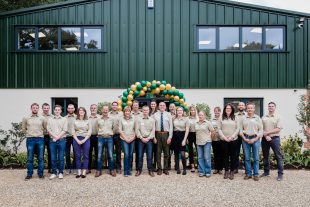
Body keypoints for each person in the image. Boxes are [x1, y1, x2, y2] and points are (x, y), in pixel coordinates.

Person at [240, 102, 263, 181]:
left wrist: (255, 139)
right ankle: (248, 174)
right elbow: (240, 130)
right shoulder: (243, 118)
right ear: (246, 109)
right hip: (245, 139)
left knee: (256, 158)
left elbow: (261, 130)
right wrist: (244, 138)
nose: (250, 109)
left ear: (254, 109)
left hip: (255, 139)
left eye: (251, 108)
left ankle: (256, 174)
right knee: (247, 158)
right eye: (248, 108)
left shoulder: (257, 118)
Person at [22, 103, 46, 180]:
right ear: (31, 108)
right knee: (29, 158)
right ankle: (29, 174)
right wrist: (29, 133)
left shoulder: (42, 118)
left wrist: (41, 133)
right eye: (33, 108)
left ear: (38, 109)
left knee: (41, 158)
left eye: (36, 108)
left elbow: (45, 128)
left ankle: (40, 173)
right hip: (30, 139)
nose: (35, 109)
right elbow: (23, 128)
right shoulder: (26, 118)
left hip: (40, 139)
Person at [261, 102, 284, 181]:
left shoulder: (278, 117)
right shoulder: (264, 117)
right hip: (265, 139)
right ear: (268, 107)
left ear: (275, 107)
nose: (270, 107)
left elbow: (278, 128)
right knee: (265, 156)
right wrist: (266, 136)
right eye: (269, 106)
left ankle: (280, 174)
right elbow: (261, 128)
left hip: (275, 139)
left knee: (278, 156)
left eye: (272, 106)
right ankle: (266, 172)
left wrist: (267, 133)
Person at [218, 104, 239, 180]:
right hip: (224, 140)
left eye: (230, 108)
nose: (228, 109)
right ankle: (226, 171)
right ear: (225, 109)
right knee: (225, 157)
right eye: (227, 108)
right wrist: (224, 137)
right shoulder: (221, 117)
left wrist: (232, 137)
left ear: (232, 109)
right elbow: (219, 129)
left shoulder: (235, 117)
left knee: (233, 157)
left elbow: (237, 129)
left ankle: (232, 171)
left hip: (233, 140)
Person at [47, 105, 68, 179]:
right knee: (53, 157)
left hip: (62, 140)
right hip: (52, 141)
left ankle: (61, 172)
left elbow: (65, 130)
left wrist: (57, 137)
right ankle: (54, 173)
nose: (57, 111)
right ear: (54, 110)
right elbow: (48, 130)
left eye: (59, 110)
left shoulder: (64, 119)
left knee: (61, 157)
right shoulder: (50, 119)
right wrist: (55, 137)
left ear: (61, 111)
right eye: (56, 110)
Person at [95, 105, 116, 177]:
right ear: (102, 110)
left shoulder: (112, 119)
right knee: (99, 155)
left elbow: (114, 128)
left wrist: (111, 134)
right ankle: (98, 170)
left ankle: (111, 170)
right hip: (100, 138)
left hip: (109, 138)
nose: (105, 111)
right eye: (104, 109)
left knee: (110, 155)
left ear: (108, 110)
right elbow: (96, 128)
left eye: (106, 110)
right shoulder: (98, 119)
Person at [135, 105, 156, 177]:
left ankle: (150, 170)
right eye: (144, 110)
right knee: (140, 156)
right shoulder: (138, 119)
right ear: (142, 111)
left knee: (149, 156)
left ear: (149, 111)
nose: (145, 111)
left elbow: (153, 130)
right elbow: (137, 130)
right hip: (141, 140)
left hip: (149, 140)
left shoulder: (152, 120)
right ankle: (139, 170)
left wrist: (148, 138)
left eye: (147, 110)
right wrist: (141, 138)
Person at [153, 102, 173, 175]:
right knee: (158, 152)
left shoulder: (168, 114)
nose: (162, 106)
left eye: (163, 105)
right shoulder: (155, 115)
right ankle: (159, 168)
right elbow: (153, 127)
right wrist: (154, 137)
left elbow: (171, 126)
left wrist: (170, 137)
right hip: (157, 134)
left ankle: (165, 168)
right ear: (158, 106)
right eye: (160, 105)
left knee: (166, 153)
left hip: (166, 134)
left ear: (165, 107)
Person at [72, 107, 92, 178]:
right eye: (80, 110)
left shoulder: (88, 121)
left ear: (84, 112)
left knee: (86, 156)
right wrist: (77, 140)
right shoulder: (75, 121)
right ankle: (79, 172)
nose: (81, 111)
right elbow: (73, 131)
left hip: (86, 139)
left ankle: (84, 172)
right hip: (76, 139)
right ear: (78, 112)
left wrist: (84, 139)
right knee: (77, 156)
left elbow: (90, 131)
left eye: (82, 110)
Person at [195, 111, 215, 177]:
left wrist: (210, 139)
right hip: (198, 142)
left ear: (204, 116)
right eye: (199, 115)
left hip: (207, 142)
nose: (200, 116)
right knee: (200, 157)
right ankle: (201, 171)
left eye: (202, 115)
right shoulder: (196, 123)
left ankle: (208, 171)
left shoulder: (208, 123)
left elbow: (213, 131)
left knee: (207, 157)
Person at [172, 107, 190, 175]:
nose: (179, 111)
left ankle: (184, 169)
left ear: (183, 111)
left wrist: (184, 139)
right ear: (176, 111)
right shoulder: (173, 119)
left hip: (182, 136)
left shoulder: (186, 119)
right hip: (175, 136)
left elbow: (187, 130)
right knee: (176, 154)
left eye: (181, 110)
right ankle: (178, 168)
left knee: (182, 154)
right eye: (178, 110)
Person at [119, 106, 136, 177]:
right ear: (124, 112)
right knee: (126, 154)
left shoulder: (134, 119)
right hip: (124, 139)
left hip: (132, 139)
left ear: (130, 112)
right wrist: (126, 138)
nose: (127, 112)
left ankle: (129, 170)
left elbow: (136, 129)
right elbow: (120, 130)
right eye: (126, 111)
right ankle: (125, 171)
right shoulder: (121, 119)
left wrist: (132, 138)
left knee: (131, 154)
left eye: (128, 111)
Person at [109, 101, 123, 174]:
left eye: (116, 105)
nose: (114, 106)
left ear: (117, 106)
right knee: (110, 152)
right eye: (113, 105)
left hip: (118, 135)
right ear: (112, 106)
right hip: (110, 136)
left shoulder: (121, 114)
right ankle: (111, 168)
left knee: (118, 152)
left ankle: (118, 168)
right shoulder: (108, 114)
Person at [234, 102, 247, 173]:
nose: (241, 106)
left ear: (244, 107)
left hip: (246, 135)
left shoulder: (247, 115)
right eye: (239, 105)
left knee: (246, 152)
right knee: (236, 153)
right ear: (237, 107)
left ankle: (246, 168)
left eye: (242, 105)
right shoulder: (234, 115)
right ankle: (236, 168)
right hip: (236, 136)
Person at [211, 107, 223, 175]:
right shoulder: (212, 120)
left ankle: (220, 169)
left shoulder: (222, 119)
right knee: (215, 154)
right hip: (214, 139)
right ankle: (216, 168)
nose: (217, 112)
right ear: (214, 112)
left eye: (218, 111)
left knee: (221, 154)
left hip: (221, 139)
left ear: (220, 112)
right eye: (215, 111)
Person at [65, 104, 76, 175]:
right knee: (67, 154)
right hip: (66, 137)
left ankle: (75, 168)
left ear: (74, 109)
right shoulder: (64, 118)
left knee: (76, 153)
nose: (70, 109)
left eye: (72, 108)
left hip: (75, 137)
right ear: (67, 109)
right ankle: (68, 168)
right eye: (69, 108)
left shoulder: (77, 117)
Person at [88, 104, 99, 174]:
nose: (93, 109)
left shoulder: (100, 117)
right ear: (90, 109)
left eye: (94, 108)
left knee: (98, 153)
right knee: (88, 153)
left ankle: (98, 168)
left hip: (98, 137)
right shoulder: (87, 117)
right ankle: (88, 168)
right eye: (92, 108)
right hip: (89, 137)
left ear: (97, 109)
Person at [42, 103, 53, 174]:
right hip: (41, 136)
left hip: (50, 136)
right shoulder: (39, 116)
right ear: (42, 108)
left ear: (49, 108)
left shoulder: (52, 116)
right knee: (41, 153)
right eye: (44, 108)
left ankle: (50, 168)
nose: (46, 109)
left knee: (51, 153)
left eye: (47, 108)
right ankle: (41, 169)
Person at [131, 100, 141, 171]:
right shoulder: (129, 113)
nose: (135, 107)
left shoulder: (141, 114)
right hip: (130, 135)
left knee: (138, 152)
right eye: (134, 106)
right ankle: (130, 166)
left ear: (138, 106)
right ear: (132, 106)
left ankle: (138, 167)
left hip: (138, 136)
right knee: (130, 152)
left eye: (136, 106)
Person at [188, 105, 198, 173]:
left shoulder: (198, 118)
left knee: (198, 150)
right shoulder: (187, 118)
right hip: (190, 134)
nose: (192, 111)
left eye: (194, 110)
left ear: (195, 111)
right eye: (191, 110)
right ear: (190, 111)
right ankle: (192, 166)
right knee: (190, 151)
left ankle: (199, 165)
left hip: (197, 135)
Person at [149, 100, 158, 172]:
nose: (153, 105)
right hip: (148, 134)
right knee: (150, 151)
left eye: (154, 104)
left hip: (155, 133)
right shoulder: (148, 112)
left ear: (156, 105)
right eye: (152, 104)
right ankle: (150, 165)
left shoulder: (158, 113)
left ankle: (155, 165)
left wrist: (154, 136)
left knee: (155, 150)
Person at [168, 103, 176, 170]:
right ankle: (168, 164)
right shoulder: (167, 115)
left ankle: (176, 164)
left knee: (176, 150)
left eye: (173, 107)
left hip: (176, 134)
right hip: (169, 134)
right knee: (169, 151)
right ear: (169, 108)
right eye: (171, 107)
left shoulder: (178, 115)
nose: (172, 108)